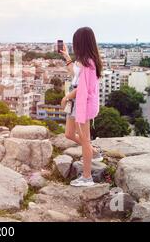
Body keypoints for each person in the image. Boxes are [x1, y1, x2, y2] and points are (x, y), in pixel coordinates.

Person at [59, 27, 103, 187]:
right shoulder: (83, 60)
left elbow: (82, 88)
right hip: (76, 102)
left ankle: (87, 177)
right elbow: (74, 75)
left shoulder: (90, 63)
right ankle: (95, 152)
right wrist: (67, 57)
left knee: (85, 140)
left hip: (83, 102)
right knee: (69, 134)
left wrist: (66, 97)